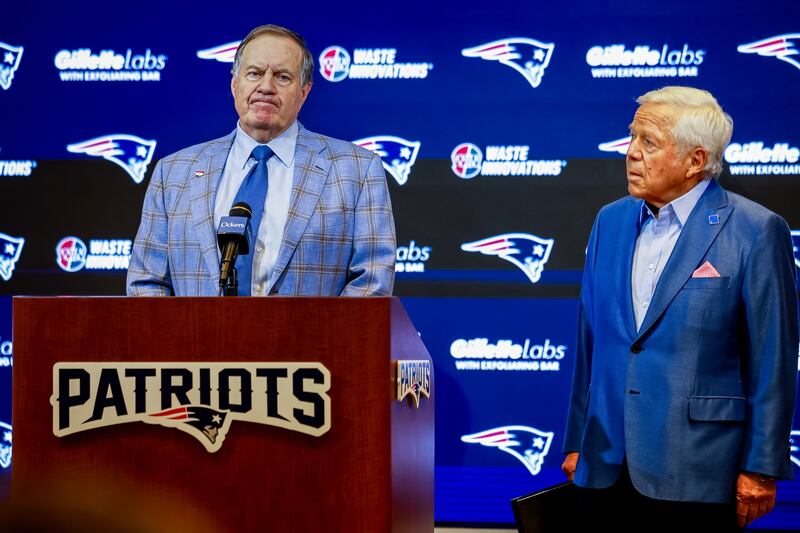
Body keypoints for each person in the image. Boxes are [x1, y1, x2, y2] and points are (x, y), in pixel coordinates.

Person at [561, 86, 797, 530]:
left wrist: (762, 466)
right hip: (605, 464)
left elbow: (774, 361)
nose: (631, 154)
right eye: (632, 138)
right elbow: (589, 342)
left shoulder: (756, 230)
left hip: (700, 469)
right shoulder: (608, 221)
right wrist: (577, 440)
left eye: (648, 143)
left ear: (695, 160)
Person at [127, 24, 395, 297]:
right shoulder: (172, 173)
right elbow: (146, 283)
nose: (265, 87)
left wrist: (317, 340)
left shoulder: (358, 170)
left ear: (304, 92)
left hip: (311, 340)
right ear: (234, 83)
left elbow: (371, 283)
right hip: (197, 340)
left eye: (282, 77)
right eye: (254, 73)